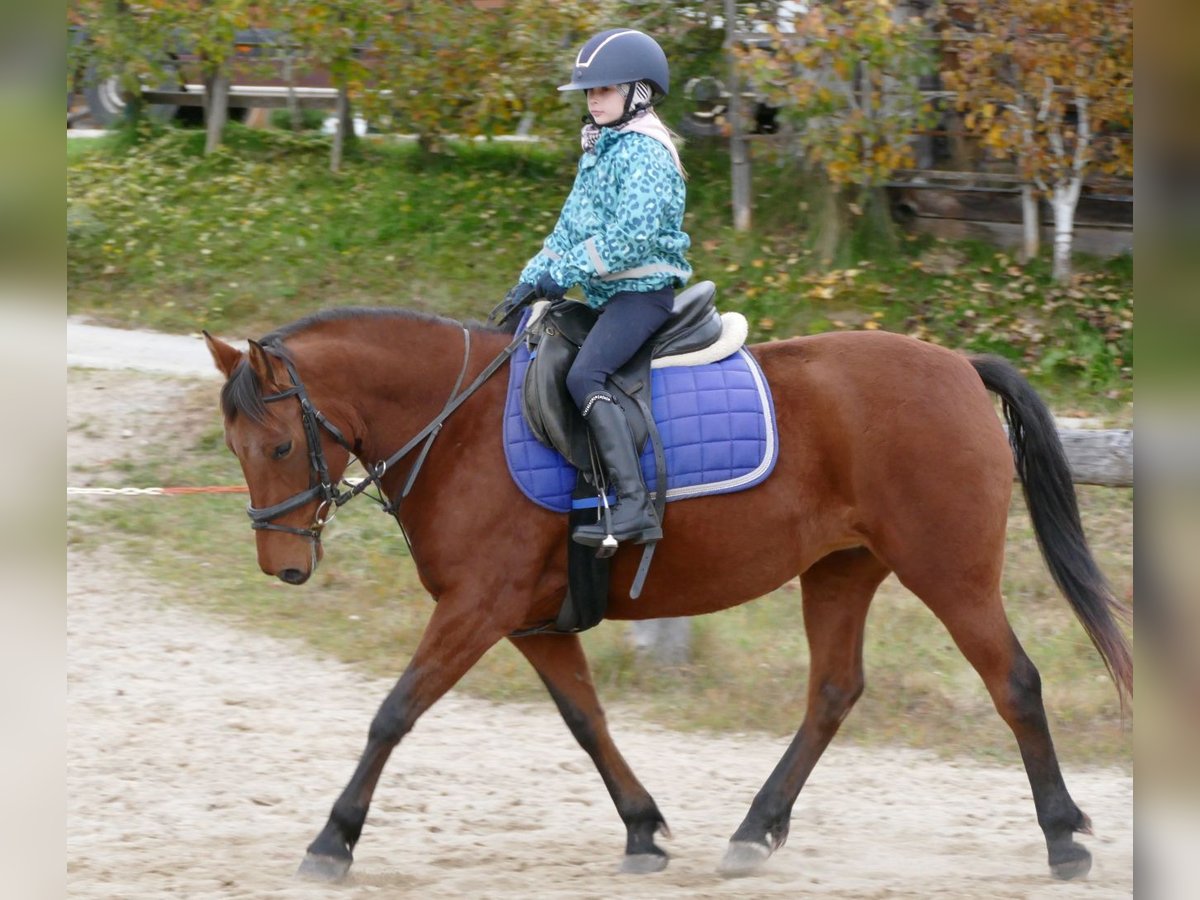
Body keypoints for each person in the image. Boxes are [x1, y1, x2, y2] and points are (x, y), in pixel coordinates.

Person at [504, 28, 692, 549]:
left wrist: (565, 273)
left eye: (605, 89)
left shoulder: (647, 153)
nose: (594, 99)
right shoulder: (601, 149)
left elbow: (633, 237)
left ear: (639, 92)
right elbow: (567, 231)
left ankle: (634, 505)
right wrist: (527, 281)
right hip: (607, 297)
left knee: (585, 374)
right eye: (590, 91)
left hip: (643, 296)